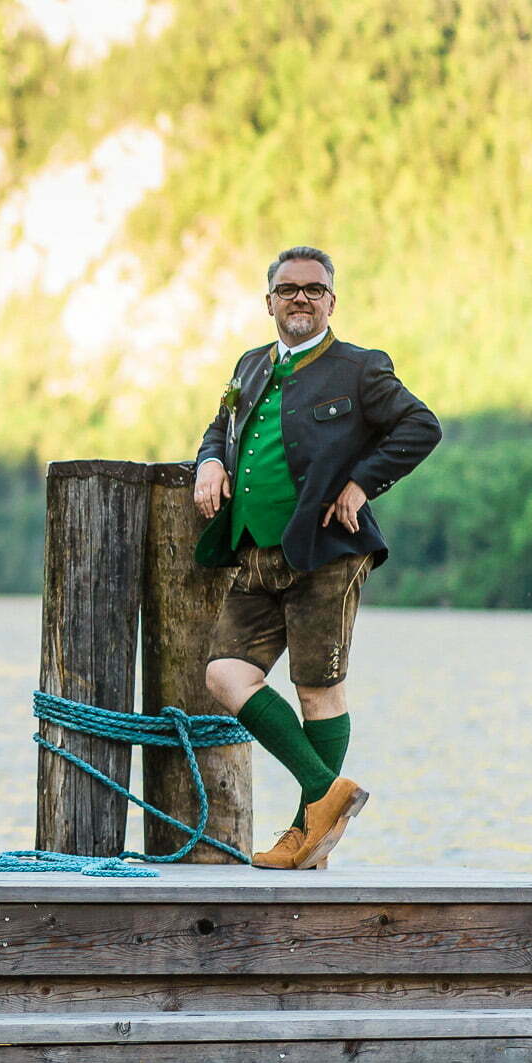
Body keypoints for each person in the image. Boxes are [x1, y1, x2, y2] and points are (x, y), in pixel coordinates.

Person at [192, 247, 441, 870]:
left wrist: (361, 483)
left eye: (313, 288)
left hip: (327, 549)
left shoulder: (360, 369)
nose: (299, 297)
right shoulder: (250, 366)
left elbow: (420, 426)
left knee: (317, 692)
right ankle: (325, 806)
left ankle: (308, 836)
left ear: (332, 300)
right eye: (287, 288)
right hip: (254, 551)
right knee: (225, 675)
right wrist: (211, 461)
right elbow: (219, 429)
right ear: (269, 300)